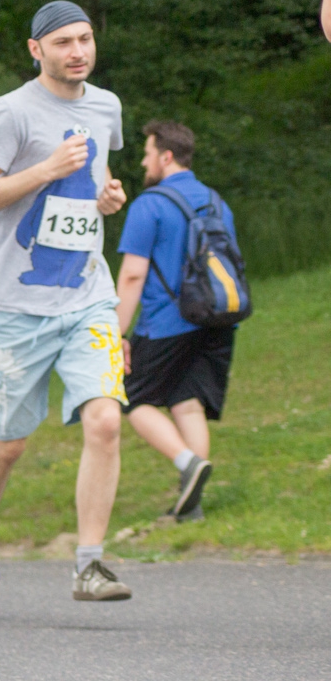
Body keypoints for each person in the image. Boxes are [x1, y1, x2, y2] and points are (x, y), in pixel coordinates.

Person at [0, 0, 131, 611]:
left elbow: (91, 192)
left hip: (89, 296)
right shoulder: (13, 112)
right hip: (16, 306)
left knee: (105, 419)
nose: (77, 52)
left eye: (84, 39)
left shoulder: (106, 107)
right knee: (7, 441)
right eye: (62, 42)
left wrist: (109, 197)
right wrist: (46, 168)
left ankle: (90, 564)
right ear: (36, 50)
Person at [114, 121, 239, 523]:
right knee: (187, 404)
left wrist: (117, 332)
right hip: (218, 319)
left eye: (148, 153)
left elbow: (133, 274)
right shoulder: (217, 201)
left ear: (166, 156)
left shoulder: (149, 205)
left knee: (132, 398)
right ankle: (192, 505)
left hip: (167, 323)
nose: (144, 161)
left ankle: (188, 463)